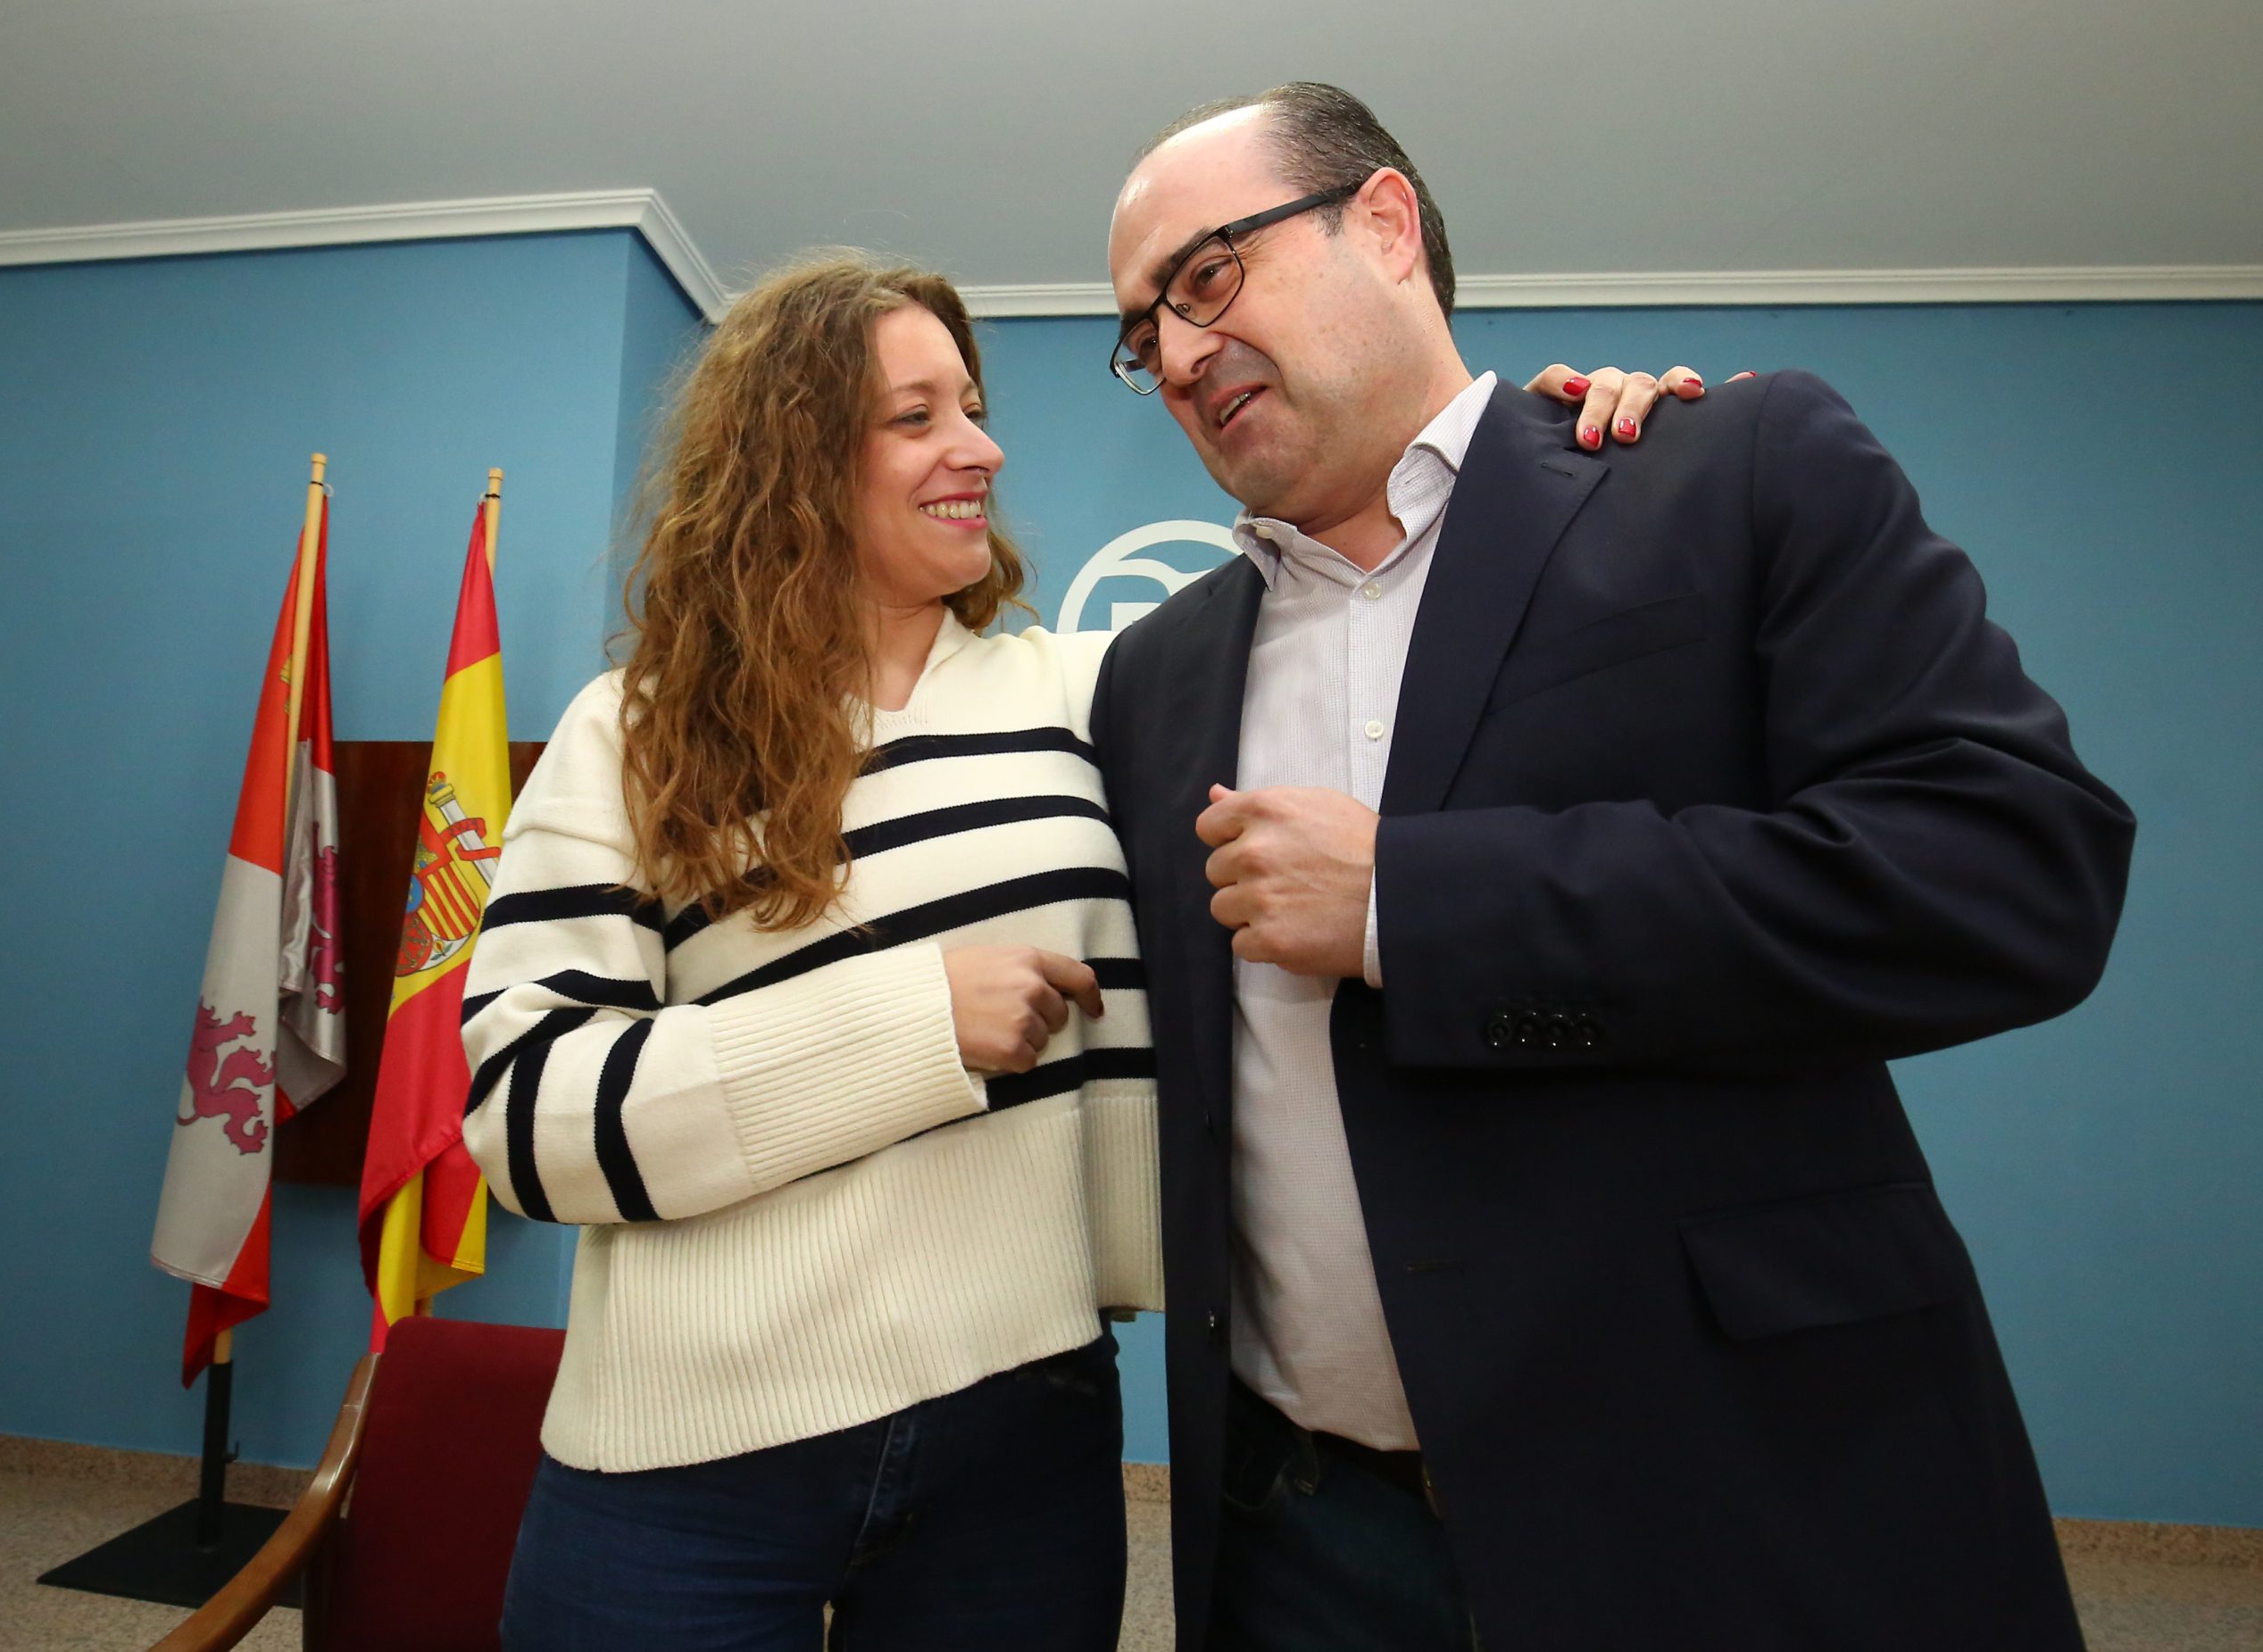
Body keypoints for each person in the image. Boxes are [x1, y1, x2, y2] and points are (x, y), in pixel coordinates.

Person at [459, 251, 1683, 1648]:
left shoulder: (1103, 691)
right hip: (681, 1468)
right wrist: (908, 1024)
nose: (978, 446)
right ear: (790, 463)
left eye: (971, 407)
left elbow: (1391, 653)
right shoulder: (631, 730)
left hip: (1022, 1446)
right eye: (915, 417)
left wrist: (1558, 471)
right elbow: (528, 1121)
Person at [1090, 84, 2137, 1652]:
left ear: (1384, 224)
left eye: (1208, 276)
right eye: (1140, 332)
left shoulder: (1723, 467)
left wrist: (1410, 906)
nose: (1174, 353)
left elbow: (2012, 875)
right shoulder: (1154, 675)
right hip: (1297, 1539)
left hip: (1734, 1497)